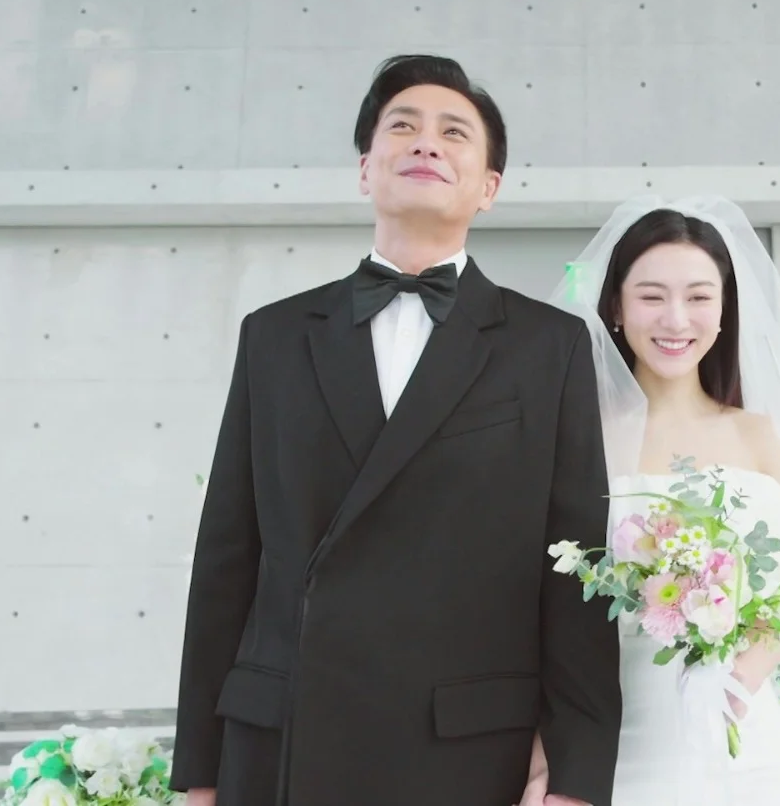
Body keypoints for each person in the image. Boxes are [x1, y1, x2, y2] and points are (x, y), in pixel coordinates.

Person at [171, 54, 621, 806]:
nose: (426, 142)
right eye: (402, 126)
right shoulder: (275, 335)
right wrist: (199, 771)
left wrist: (576, 775)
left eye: (454, 132)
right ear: (364, 169)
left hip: (465, 746)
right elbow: (226, 556)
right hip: (286, 736)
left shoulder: (549, 346)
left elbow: (576, 565)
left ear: (488, 187)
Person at [525, 196, 780, 805]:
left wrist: (743, 673)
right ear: (616, 308)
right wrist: (542, 760)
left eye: (699, 297)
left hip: (742, 742)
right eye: (652, 296)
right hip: (611, 742)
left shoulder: (757, 435)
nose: (676, 319)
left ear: (724, 309)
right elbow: (534, 606)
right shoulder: (575, 436)